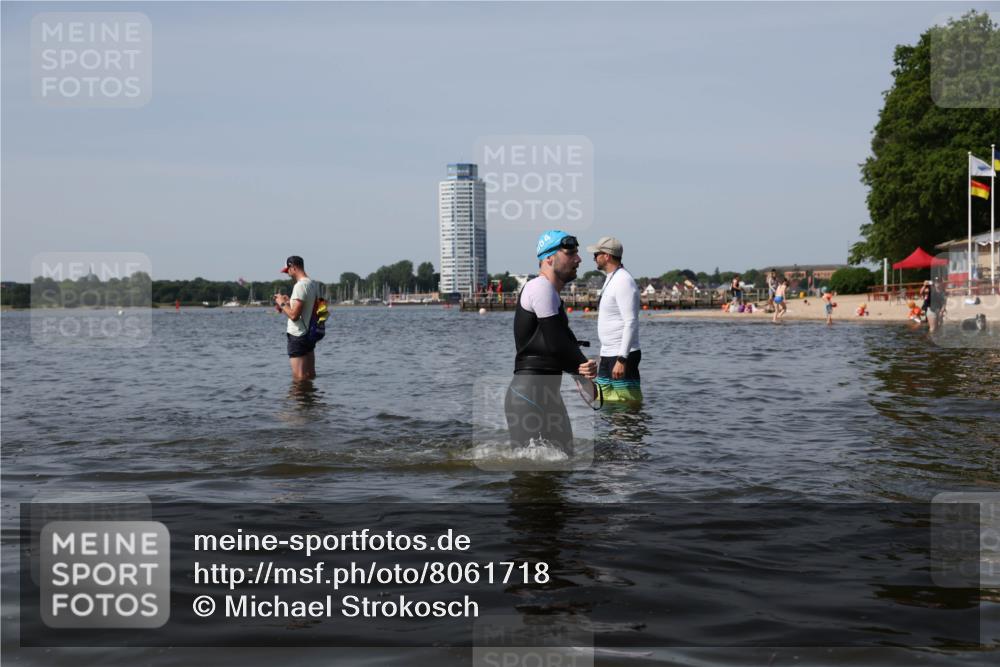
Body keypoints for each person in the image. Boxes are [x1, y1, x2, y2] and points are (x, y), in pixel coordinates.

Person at [505, 231, 597, 453]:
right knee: (531, 474)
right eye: (570, 253)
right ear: (548, 258)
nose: (578, 259)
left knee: (564, 466)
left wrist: (581, 368)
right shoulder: (540, 287)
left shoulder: (552, 294)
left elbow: (559, 343)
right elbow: (556, 344)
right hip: (529, 395)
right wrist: (581, 369)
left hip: (547, 395)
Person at [587, 236, 642, 404]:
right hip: (609, 354)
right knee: (606, 403)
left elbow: (630, 322)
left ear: (607, 256)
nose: (594, 258)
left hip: (622, 356)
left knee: (627, 405)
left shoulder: (623, 281)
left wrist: (622, 359)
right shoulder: (611, 278)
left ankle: (630, 430)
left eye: (596, 254)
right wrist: (603, 354)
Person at [274, 255, 320, 381]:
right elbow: (310, 308)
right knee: (310, 375)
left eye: (287, 271)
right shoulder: (313, 284)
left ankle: (300, 400)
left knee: (299, 378)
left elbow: (294, 315)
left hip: (297, 335)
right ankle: (311, 399)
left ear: (293, 267)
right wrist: (288, 303)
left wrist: (281, 303)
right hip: (310, 334)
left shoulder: (299, 286)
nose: (287, 274)